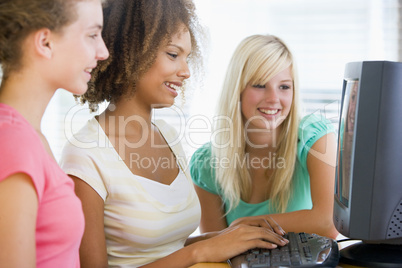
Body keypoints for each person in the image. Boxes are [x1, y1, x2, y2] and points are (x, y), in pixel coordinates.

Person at [59, 1, 288, 268]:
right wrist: (198, 252)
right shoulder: (85, 153)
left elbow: (168, 249)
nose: (186, 71)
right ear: (132, 52)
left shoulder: (167, 135)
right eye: (173, 54)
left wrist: (232, 236)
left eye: (187, 57)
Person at [190, 34, 339, 239]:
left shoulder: (314, 137)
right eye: (260, 85)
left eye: (284, 87)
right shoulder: (207, 163)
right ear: (237, 90)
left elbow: (328, 223)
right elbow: (217, 250)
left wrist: (248, 225)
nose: (273, 98)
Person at [0, 0, 109, 267]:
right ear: (45, 43)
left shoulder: (31, 136)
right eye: (92, 35)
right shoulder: (13, 144)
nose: (103, 51)